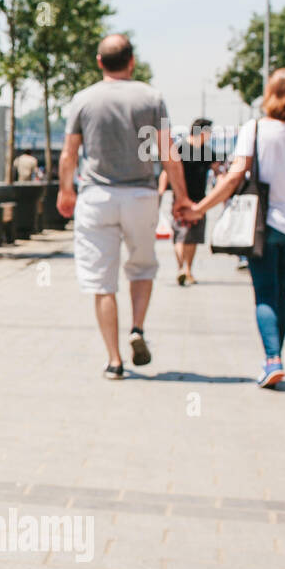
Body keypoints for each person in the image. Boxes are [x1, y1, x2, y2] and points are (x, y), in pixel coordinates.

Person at [181, 69, 285, 388]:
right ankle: (275, 356)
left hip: (262, 224)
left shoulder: (254, 129)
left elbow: (233, 177)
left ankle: (273, 359)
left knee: (265, 293)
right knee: (281, 290)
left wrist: (200, 208)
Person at [57, 34, 192, 379]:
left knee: (102, 282)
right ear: (131, 62)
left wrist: (66, 191)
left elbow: (69, 153)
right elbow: (168, 154)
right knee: (142, 268)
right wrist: (181, 197)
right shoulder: (152, 97)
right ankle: (137, 328)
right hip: (141, 197)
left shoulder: (83, 100)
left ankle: (114, 360)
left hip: (97, 197)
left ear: (100, 62)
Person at [158, 117, 218, 285]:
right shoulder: (180, 148)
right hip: (181, 199)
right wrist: (161, 191)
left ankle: (186, 269)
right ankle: (183, 269)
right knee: (182, 235)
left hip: (200, 200)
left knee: (191, 237)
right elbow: (166, 172)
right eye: (209, 132)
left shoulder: (208, 152)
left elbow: (218, 172)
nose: (210, 135)